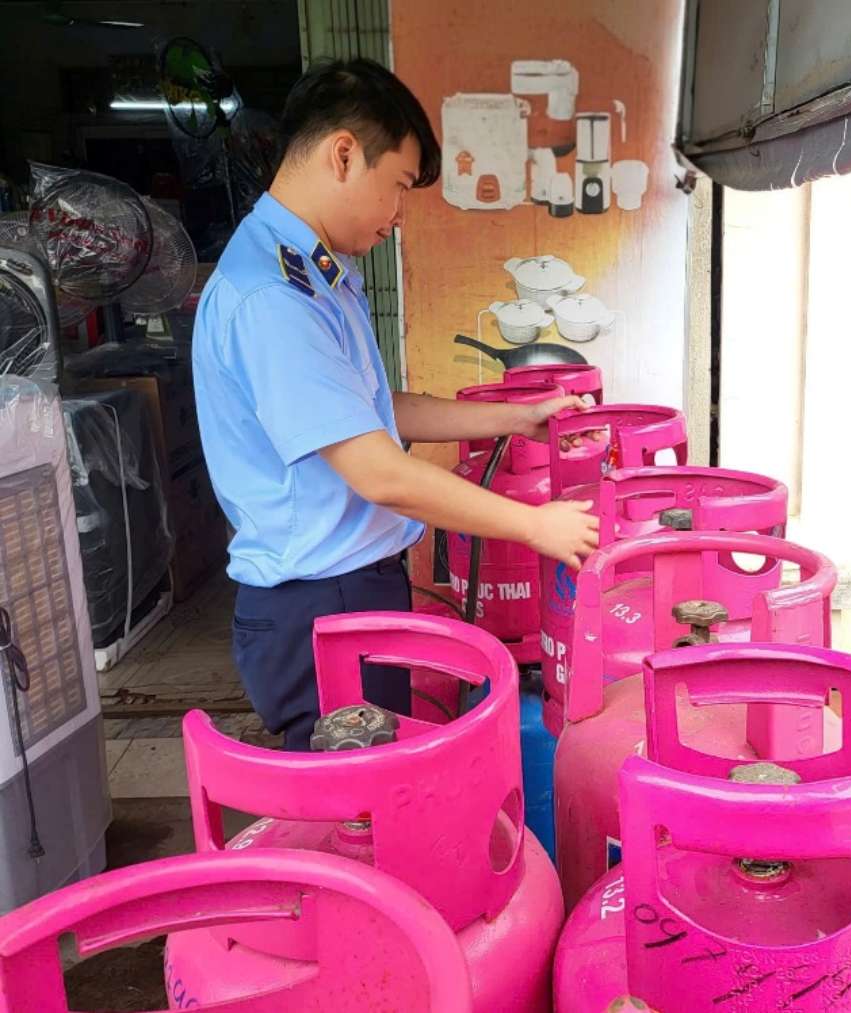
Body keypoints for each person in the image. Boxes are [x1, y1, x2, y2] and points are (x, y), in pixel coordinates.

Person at [192, 58, 599, 750]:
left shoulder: (320, 276)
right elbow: (380, 471)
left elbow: (379, 412)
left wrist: (511, 416)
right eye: (400, 186)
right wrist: (534, 525)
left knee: (383, 798)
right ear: (344, 154)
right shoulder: (274, 297)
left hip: (350, 592)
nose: (400, 215)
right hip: (319, 607)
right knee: (360, 816)